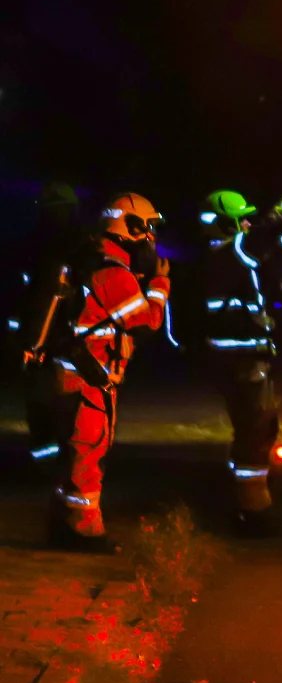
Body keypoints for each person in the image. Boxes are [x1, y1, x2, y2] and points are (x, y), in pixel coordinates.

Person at [37, 193, 171, 547]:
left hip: (75, 374)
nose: (152, 237)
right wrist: (159, 286)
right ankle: (84, 530)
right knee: (88, 453)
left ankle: (62, 523)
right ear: (131, 226)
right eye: (149, 227)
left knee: (74, 454)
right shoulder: (113, 272)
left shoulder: (93, 260)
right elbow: (146, 323)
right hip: (89, 379)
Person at [198, 187, 282, 535]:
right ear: (226, 224)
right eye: (240, 218)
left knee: (250, 430)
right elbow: (263, 238)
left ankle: (246, 503)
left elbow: (275, 250)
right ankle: (253, 513)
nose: (246, 223)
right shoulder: (234, 251)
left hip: (233, 358)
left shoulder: (220, 256)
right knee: (256, 432)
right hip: (244, 359)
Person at [12, 182, 86, 471]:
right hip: (52, 337)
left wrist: (29, 341)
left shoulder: (68, 248)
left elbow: (41, 299)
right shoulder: (37, 249)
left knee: (54, 402)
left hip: (61, 336)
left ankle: (57, 460)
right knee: (49, 402)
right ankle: (54, 461)